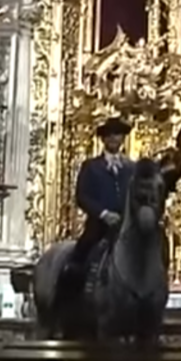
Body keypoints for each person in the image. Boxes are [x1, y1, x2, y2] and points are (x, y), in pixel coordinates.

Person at [63, 117, 134, 287]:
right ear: (103, 139)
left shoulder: (131, 168)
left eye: (117, 135)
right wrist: (103, 214)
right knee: (82, 251)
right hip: (99, 224)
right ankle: (71, 286)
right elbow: (82, 196)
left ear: (123, 139)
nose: (113, 139)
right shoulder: (91, 166)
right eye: (109, 135)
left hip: (126, 224)